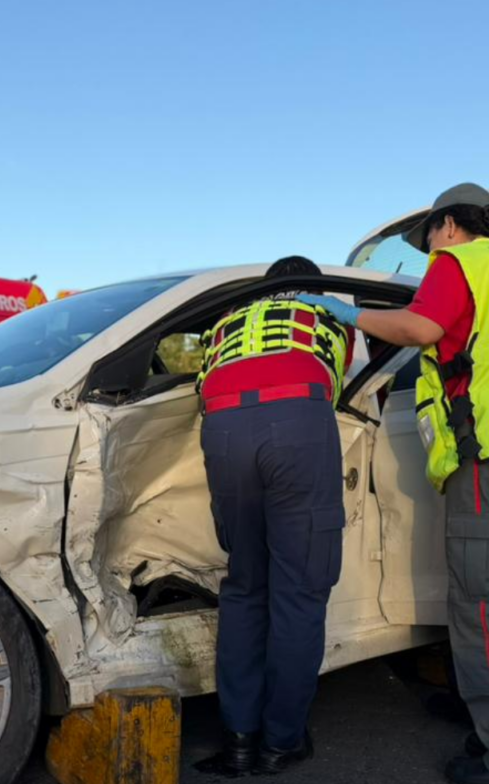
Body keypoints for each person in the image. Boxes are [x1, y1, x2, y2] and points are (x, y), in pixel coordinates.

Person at [303, 184, 489, 784]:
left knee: (488, 617)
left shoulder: (461, 262)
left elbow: (423, 328)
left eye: (427, 238)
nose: (429, 254)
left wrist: (352, 315)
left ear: (448, 225)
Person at [195, 256, 353, 776]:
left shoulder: (229, 325)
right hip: (296, 421)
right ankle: (281, 742)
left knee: (244, 587)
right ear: (310, 287)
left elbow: (204, 387)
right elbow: (344, 385)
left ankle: (239, 740)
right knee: (300, 593)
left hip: (221, 427)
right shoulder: (322, 315)